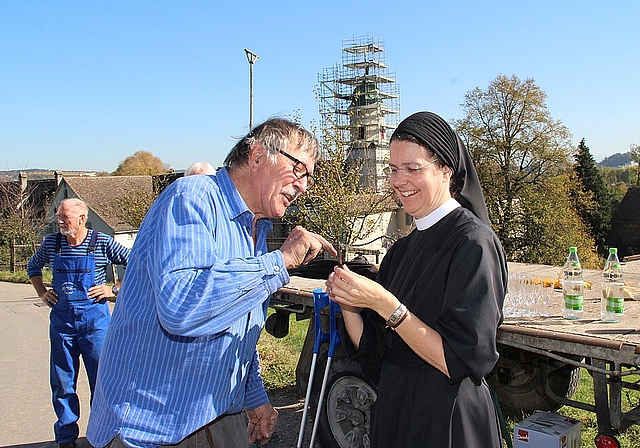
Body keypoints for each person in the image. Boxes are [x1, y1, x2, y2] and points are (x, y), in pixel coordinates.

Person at [86, 118, 336, 448]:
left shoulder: (254, 230)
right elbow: (181, 308)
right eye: (299, 169)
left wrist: (253, 395)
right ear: (258, 155)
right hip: (152, 428)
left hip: (217, 416)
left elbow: (235, 323)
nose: (303, 186)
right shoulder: (192, 200)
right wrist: (282, 261)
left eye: (310, 177)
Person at [326, 111, 508, 448]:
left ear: (445, 170)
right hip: (397, 410)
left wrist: (386, 304)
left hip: (446, 418)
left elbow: (459, 360)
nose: (399, 180)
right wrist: (350, 301)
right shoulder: (401, 250)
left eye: (413, 168)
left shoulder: (473, 243)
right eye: (393, 169)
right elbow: (375, 349)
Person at [27, 198, 131, 448]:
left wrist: (113, 289)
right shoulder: (53, 243)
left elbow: (137, 263)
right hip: (62, 325)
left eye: (65, 217)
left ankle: (102, 436)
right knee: (63, 382)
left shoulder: (101, 243)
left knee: (102, 382)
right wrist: (42, 292)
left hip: (95, 324)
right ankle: (66, 439)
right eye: (59, 216)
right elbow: (33, 267)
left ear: (82, 218)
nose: (59, 221)